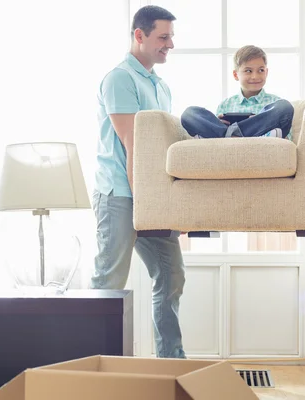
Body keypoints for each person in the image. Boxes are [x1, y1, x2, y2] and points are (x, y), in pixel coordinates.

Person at [90, 5, 186, 359]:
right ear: (139, 35)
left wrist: (169, 205)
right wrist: (144, 202)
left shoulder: (159, 86)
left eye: (171, 37)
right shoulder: (119, 79)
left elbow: (162, 148)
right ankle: (96, 365)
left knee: (172, 276)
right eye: (163, 37)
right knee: (108, 284)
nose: (170, 45)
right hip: (120, 195)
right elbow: (133, 143)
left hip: (152, 199)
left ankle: (171, 362)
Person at [180, 45, 294, 139]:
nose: (255, 76)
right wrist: (217, 123)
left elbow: (288, 135)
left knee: (285, 107)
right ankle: (231, 135)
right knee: (189, 113)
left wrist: (256, 122)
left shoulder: (274, 102)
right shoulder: (226, 104)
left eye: (261, 70)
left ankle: (235, 135)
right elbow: (213, 125)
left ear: (266, 72)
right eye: (248, 71)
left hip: (259, 139)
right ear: (236, 75)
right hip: (228, 143)